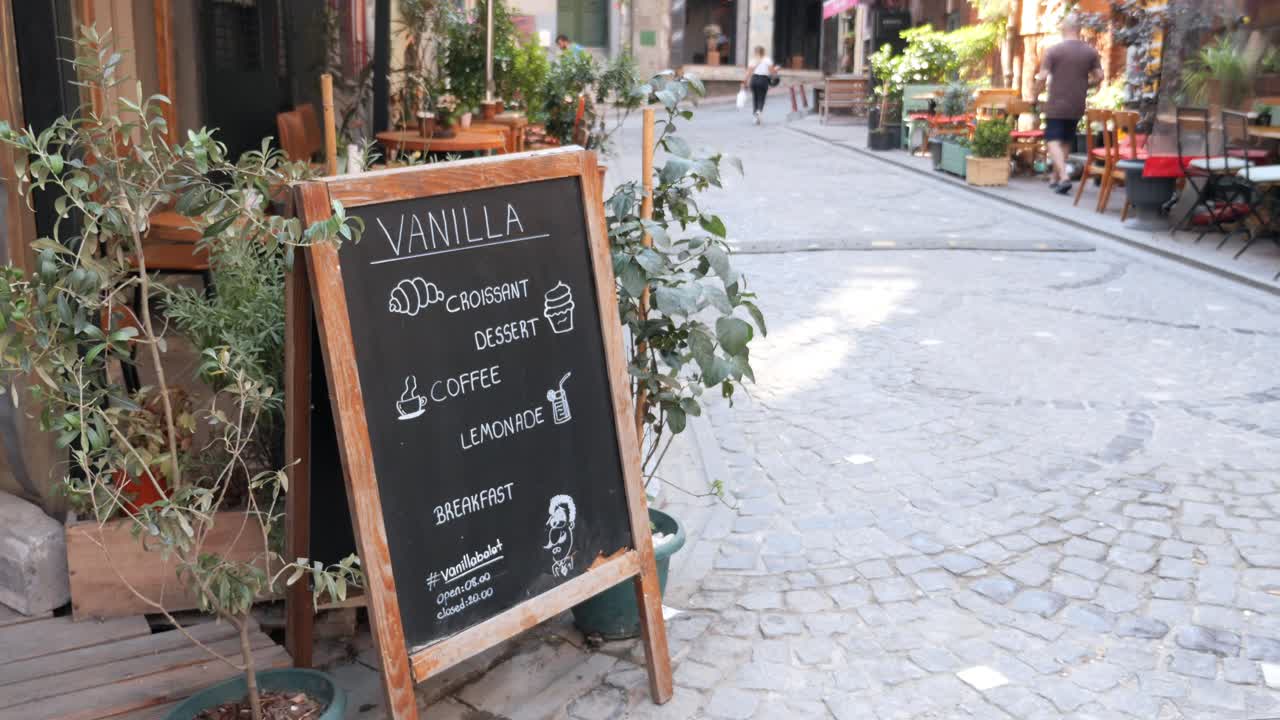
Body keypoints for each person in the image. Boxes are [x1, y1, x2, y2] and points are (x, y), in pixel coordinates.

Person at [1034, 13, 1103, 194]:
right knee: (1065, 141)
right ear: (1079, 29)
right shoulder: (1090, 51)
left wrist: (1035, 92)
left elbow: (1042, 77)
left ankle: (1063, 176)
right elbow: (1100, 76)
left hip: (1057, 102)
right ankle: (1056, 178)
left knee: (1051, 139)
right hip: (1077, 103)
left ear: (1064, 28)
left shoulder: (1054, 51)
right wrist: (1085, 84)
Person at [742, 46, 778, 125]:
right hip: (763, 80)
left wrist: (744, 81)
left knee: (755, 98)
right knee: (762, 97)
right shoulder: (767, 60)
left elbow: (749, 72)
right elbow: (772, 72)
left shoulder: (752, 60)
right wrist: (776, 70)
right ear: (763, 52)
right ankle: (759, 111)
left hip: (754, 79)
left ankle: (755, 117)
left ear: (755, 52)